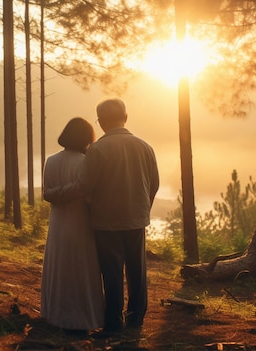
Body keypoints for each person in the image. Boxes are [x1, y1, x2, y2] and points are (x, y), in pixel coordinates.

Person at [80, 98, 160, 334]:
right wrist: (143, 209)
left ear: (101, 122)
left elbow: (87, 186)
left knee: (112, 272)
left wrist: (92, 207)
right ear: (125, 118)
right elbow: (154, 183)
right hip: (136, 218)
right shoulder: (145, 146)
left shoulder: (96, 149)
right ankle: (136, 319)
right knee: (137, 270)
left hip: (106, 221)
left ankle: (113, 323)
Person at [40, 117, 104, 334]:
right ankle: (81, 319)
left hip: (58, 222)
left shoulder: (51, 160)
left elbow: (48, 193)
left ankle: (55, 315)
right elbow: (90, 197)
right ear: (87, 138)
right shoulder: (86, 162)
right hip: (81, 222)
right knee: (81, 269)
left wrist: (62, 194)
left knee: (59, 267)